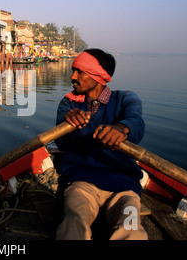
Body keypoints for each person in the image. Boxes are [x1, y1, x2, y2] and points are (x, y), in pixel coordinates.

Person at [55, 48, 148, 240]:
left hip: (124, 187)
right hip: (82, 182)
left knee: (131, 229)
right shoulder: (69, 104)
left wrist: (122, 129)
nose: (73, 77)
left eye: (79, 71)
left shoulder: (125, 99)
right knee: (74, 223)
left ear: (97, 75)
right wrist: (68, 123)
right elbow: (62, 141)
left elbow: (136, 122)